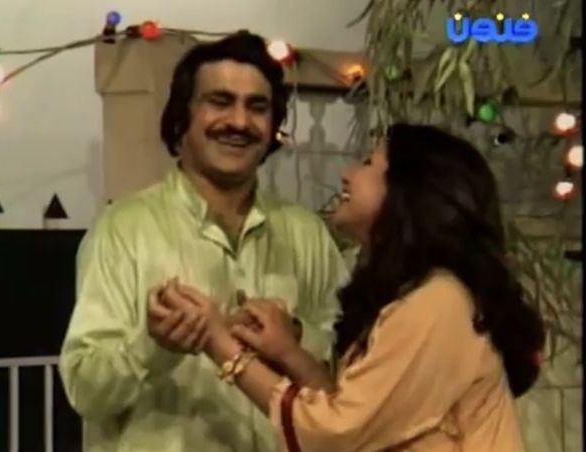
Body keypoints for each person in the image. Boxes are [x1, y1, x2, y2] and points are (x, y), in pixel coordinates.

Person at [161, 123, 546, 451]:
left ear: (407, 191)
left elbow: (337, 433)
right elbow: (360, 410)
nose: (347, 174)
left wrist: (218, 342)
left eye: (367, 163)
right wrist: (289, 353)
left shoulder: (439, 301)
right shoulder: (417, 293)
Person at [59, 31, 348, 452]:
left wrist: (297, 337)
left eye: (257, 107)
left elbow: (353, 371)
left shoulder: (306, 233)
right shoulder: (123, 229)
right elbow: (85, 391)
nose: (239, 122)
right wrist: (153, 347)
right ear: (183, 117)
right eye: (220, 101)